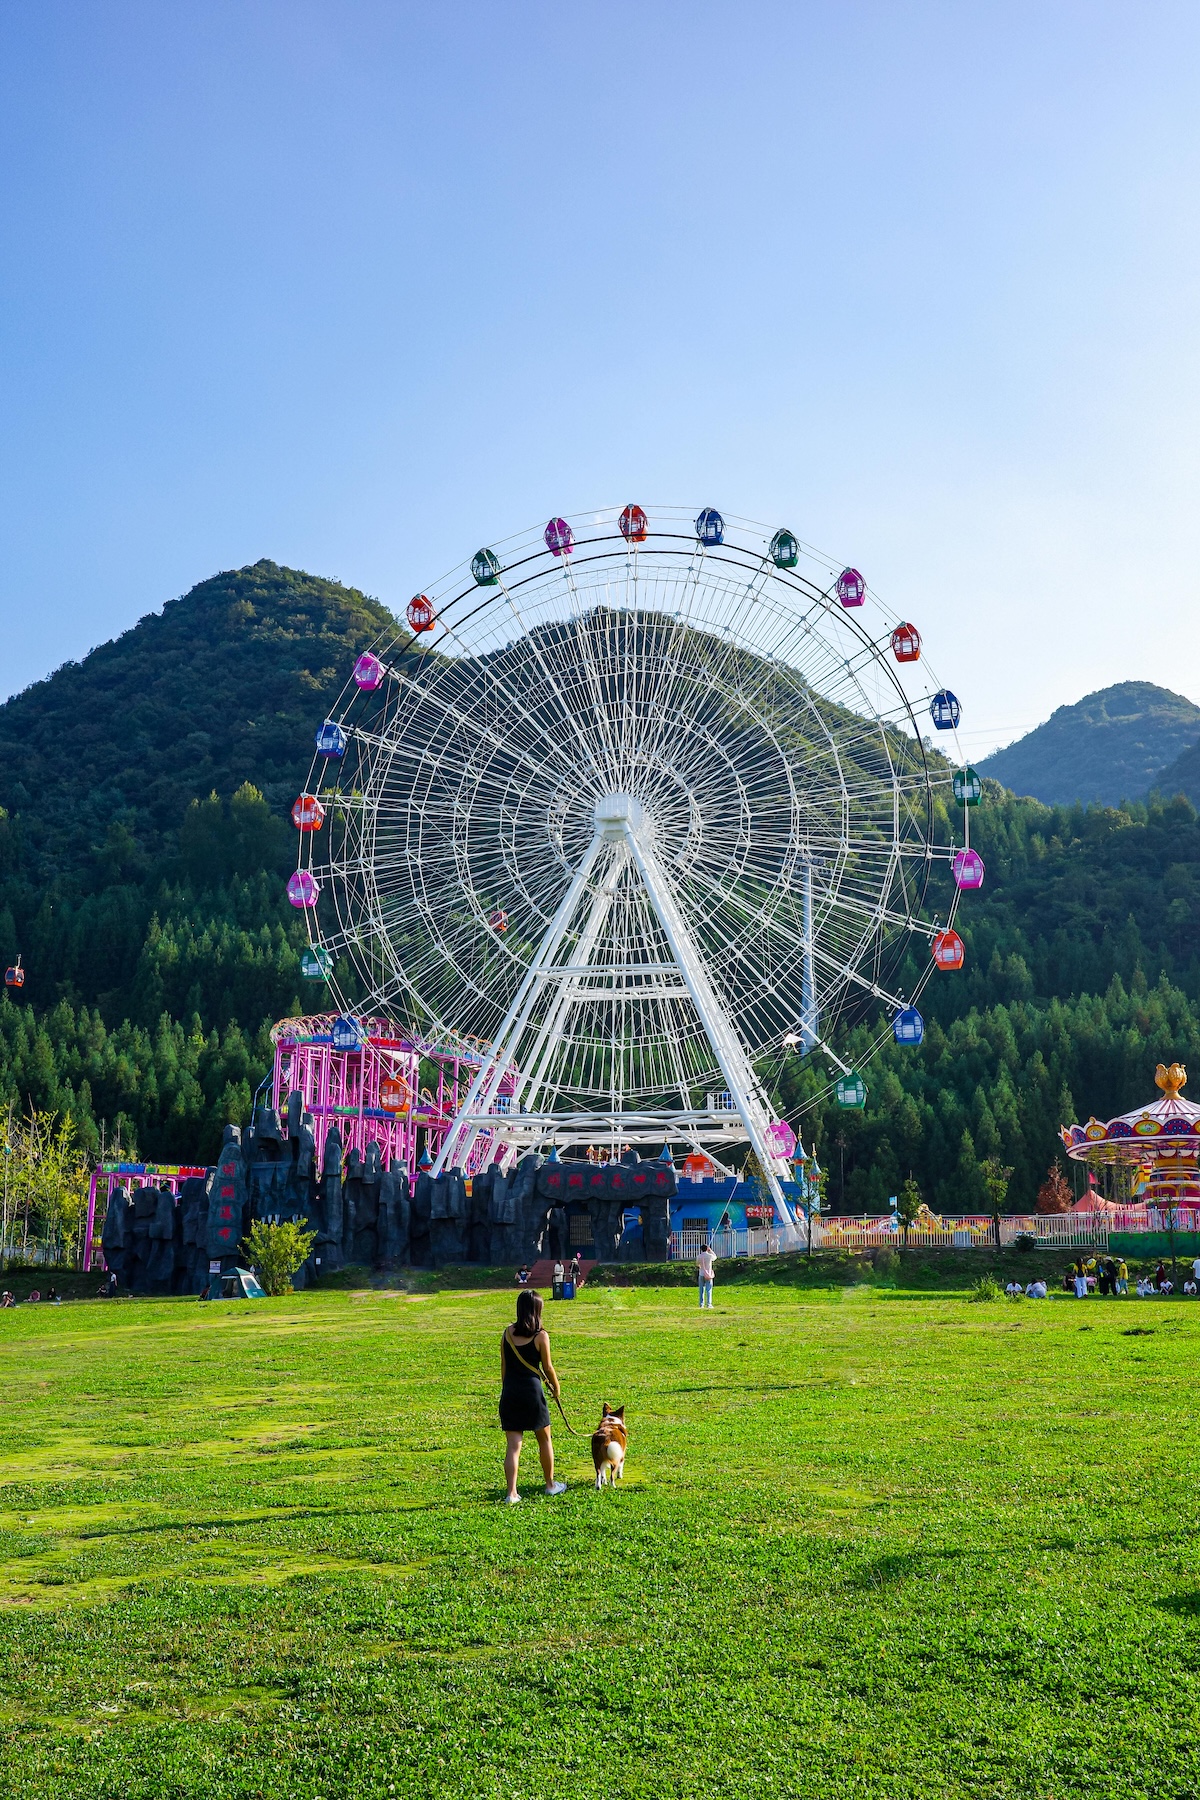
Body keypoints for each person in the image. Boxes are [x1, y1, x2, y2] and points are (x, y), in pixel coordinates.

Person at [499, 1289, 567, 1504]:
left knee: (513, 1445)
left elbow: (504, 1366)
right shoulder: (541, 1336)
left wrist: (508, 1389)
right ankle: (550, 1485)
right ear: (537, 1310)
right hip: (532, 1392)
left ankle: (511, 1493)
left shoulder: (507, 1333)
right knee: (544, 1439)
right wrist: (556, 1388)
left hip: (510, 1391)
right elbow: (547, 1367)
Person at [697, 1242, 716, 1308]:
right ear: (706, 1249)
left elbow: (697, 1264)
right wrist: (710, 1250)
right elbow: (715, 1257)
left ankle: (701, 1304)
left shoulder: (699, 1256)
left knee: (701, 1289)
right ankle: (709, 1304)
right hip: (708, 1274)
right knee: (709, 1289)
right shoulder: (709, 1256)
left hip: (701, 1274)